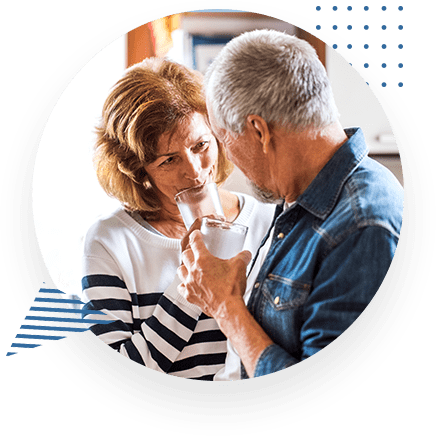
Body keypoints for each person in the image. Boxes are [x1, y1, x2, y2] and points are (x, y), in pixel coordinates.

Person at [177, 29, 404, 379]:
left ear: (259, 130)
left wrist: (225, 306)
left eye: (224, 140)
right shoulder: (302, 192)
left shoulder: (362, 226)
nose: (231, 161)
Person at [81, 57, 276, 380]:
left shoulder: (268, 222)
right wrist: (192, 284)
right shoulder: (110, 241)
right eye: (169, 160)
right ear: (137, 170)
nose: (195, 171)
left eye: (201, 145)